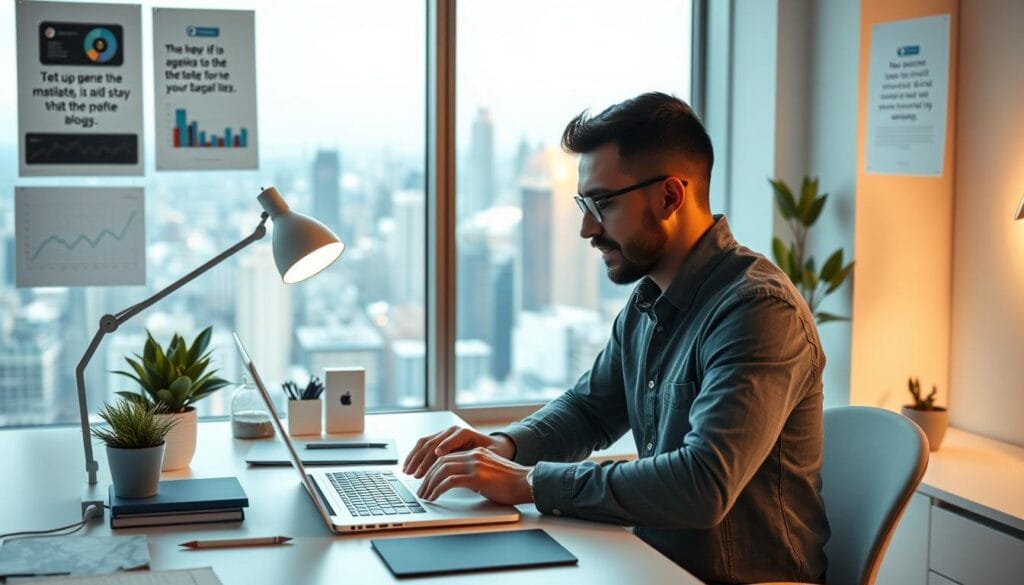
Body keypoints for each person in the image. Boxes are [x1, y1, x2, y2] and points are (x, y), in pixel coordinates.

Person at [402, 92, 830, 584]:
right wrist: (505, 447)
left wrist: (532, 483)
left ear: (670, 196)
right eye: (585, 204)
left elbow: (702, 484)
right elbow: (589, 410)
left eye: (603, 203)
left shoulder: (757, 310)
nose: (587, 228)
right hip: (653, 563)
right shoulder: (649, 301)